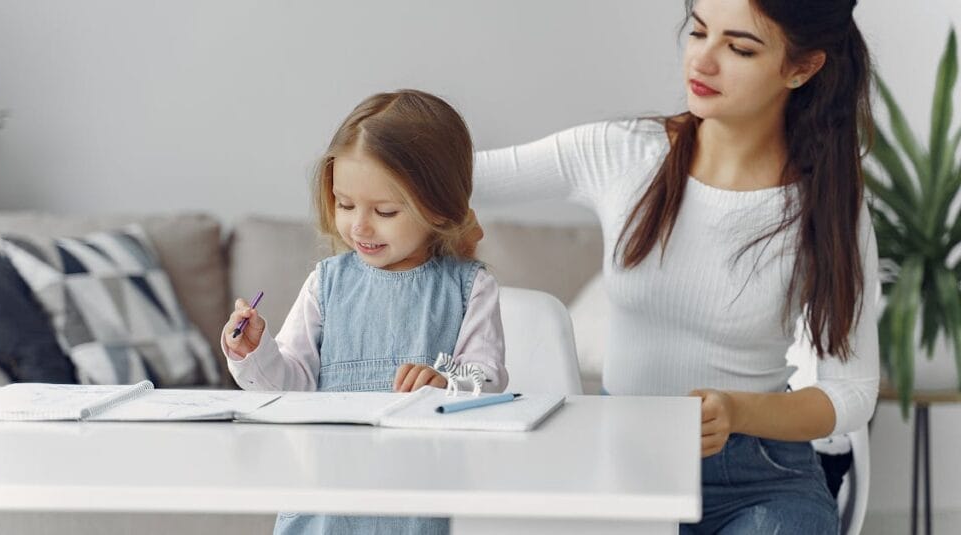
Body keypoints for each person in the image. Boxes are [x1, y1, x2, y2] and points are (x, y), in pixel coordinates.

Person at [471, 0, 878, 532]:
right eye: (699, 31)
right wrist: (371, 153)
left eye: (739, 47)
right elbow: (458, 178)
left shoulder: (827, 201)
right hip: (623, 463)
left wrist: (739, 410)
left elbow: (852, 392)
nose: (702, 62)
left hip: (761, 477)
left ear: (801, 68)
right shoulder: (621, 153)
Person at [222, 89, 507, 535]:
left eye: (386, 211)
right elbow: (290, 383)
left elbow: (488, 379)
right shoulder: (326, 282)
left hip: (416, 505)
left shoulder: (470, 286)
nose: (359, 226)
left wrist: (446, 381)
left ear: (439, 205)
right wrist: (255, 352)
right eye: (345, 204)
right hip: (325, 502)